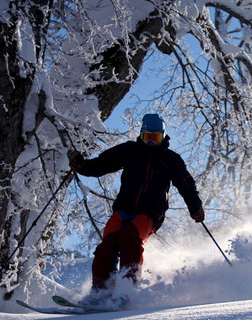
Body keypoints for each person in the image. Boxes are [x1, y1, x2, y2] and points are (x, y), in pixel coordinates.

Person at [68, 113, 204, 305]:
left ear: (163, 137)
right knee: (107, 245)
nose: (150, 143)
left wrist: (195, 207)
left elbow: (186, 185)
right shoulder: (129, 151)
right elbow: (100, 165)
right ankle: (99, 291)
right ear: (141, 135)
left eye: (155, 138)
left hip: (150, 213)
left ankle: (126, 290)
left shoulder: (171, 160)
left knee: (130, 239)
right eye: (147, 137)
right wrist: (81, 165)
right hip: (123, 209)